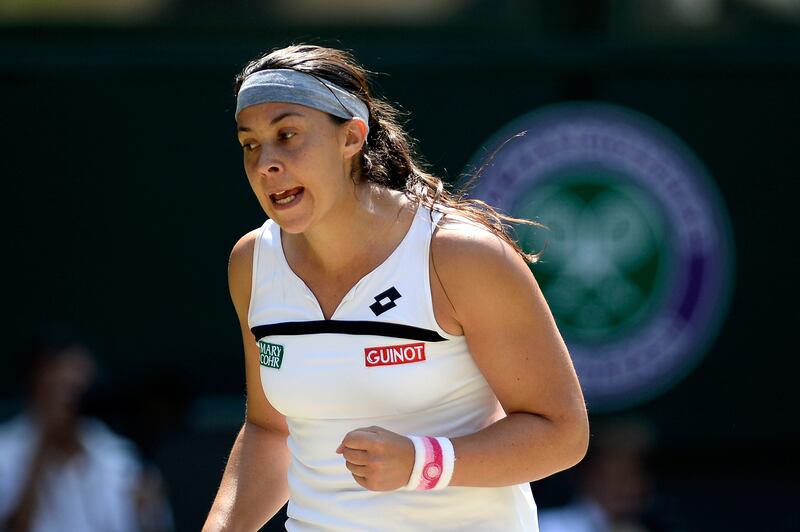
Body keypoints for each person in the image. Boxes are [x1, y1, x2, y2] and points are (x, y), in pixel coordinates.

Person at [203, 44, 589, 531]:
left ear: (352, 138)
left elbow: (562, 434)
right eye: (250, 144)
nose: (265, 164)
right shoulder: (252, 262)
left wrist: (424, 462)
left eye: (288, 134)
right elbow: (269, 430)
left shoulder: (458, 256)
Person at [0, 332, 174, 532]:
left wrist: (148, 516)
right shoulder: (5, 453)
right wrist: (45, 442)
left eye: (82, 385)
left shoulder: (119, 457)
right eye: (64, 386)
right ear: (37, 384)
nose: (72, 398)